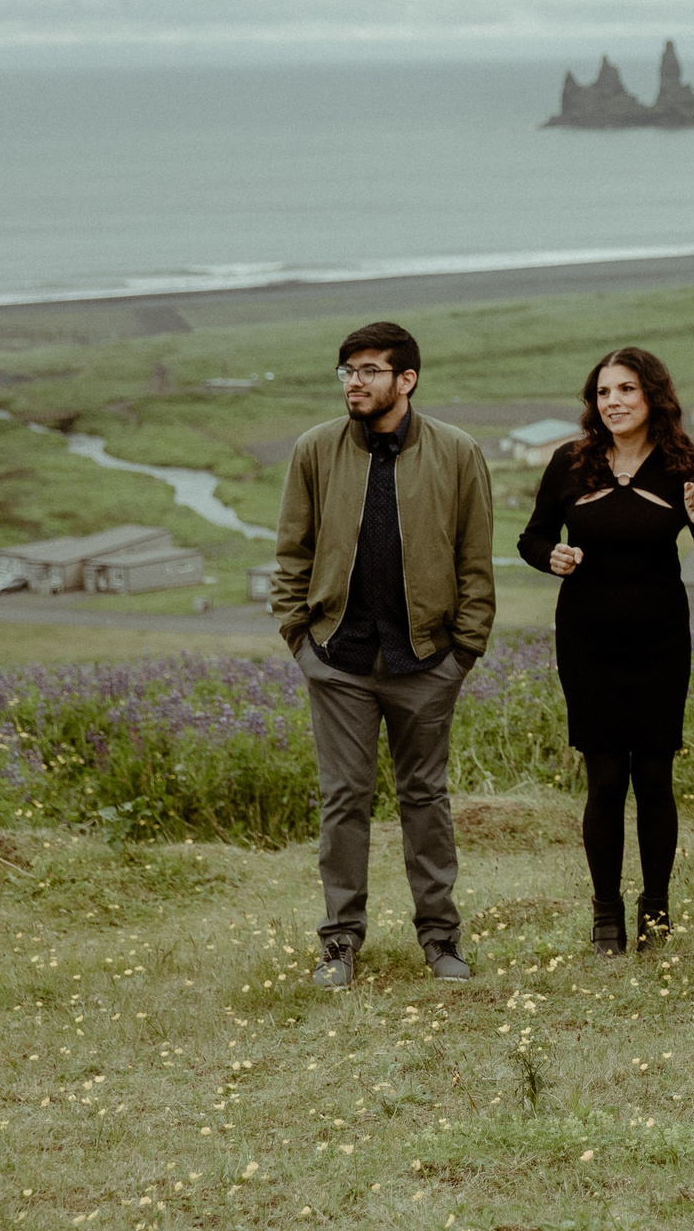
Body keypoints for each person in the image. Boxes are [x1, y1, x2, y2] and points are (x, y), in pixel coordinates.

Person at [272, 322, 494, 989]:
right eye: (346, 371)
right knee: (344, 800)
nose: (353, 382)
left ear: (407, 379)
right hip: (338, 661)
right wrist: (299, 639)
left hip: (426, 663)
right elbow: (291, 554)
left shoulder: (457, 452)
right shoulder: (315, 450)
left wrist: (463, 652)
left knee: (426, 800)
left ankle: (441, 940)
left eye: (368, 370)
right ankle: (339, 942)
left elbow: (476, 565)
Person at [517, 346, 694, 956]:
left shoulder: (683, 467)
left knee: (655, 776)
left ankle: (656, 909)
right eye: (603, 393)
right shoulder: (570, 462)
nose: (612, 402)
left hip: (659, 639)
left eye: (625, 390)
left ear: (652, 398)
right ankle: (606, 911)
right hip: (586, 639)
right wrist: (551, 557)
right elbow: (533, 538)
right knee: (605, 775)